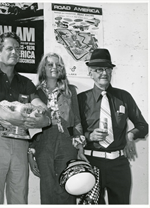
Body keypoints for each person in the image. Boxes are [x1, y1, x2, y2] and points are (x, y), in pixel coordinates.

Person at [0, 32, 50, 204]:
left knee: (19, 198)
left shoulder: (26, 82)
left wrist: (42, 119)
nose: (14, 52)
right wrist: (10, 116)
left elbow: (42, 108)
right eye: (9, 48)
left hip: (20, 143)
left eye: (17, 49)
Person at [77, 48, 148, 204]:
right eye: (99, 69)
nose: (104, 73)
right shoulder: (81, 100)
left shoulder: (124, 97)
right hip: (91, 163)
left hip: (119, 165)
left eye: (108, 69)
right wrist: (89, 136)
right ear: (91, 73)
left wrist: (130, 135)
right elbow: (73, 131)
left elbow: (143, 126)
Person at [28, 52, 88, 204]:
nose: (54, 67)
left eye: (57, 64)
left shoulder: (70, 91)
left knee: (67, 187)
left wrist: (80, 146)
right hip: (44, 142)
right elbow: (30, 125)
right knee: (47, 188)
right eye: (50, 64)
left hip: (66, 143)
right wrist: (30, 152)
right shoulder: (34, 92)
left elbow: (76, 121)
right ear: (44, 68)